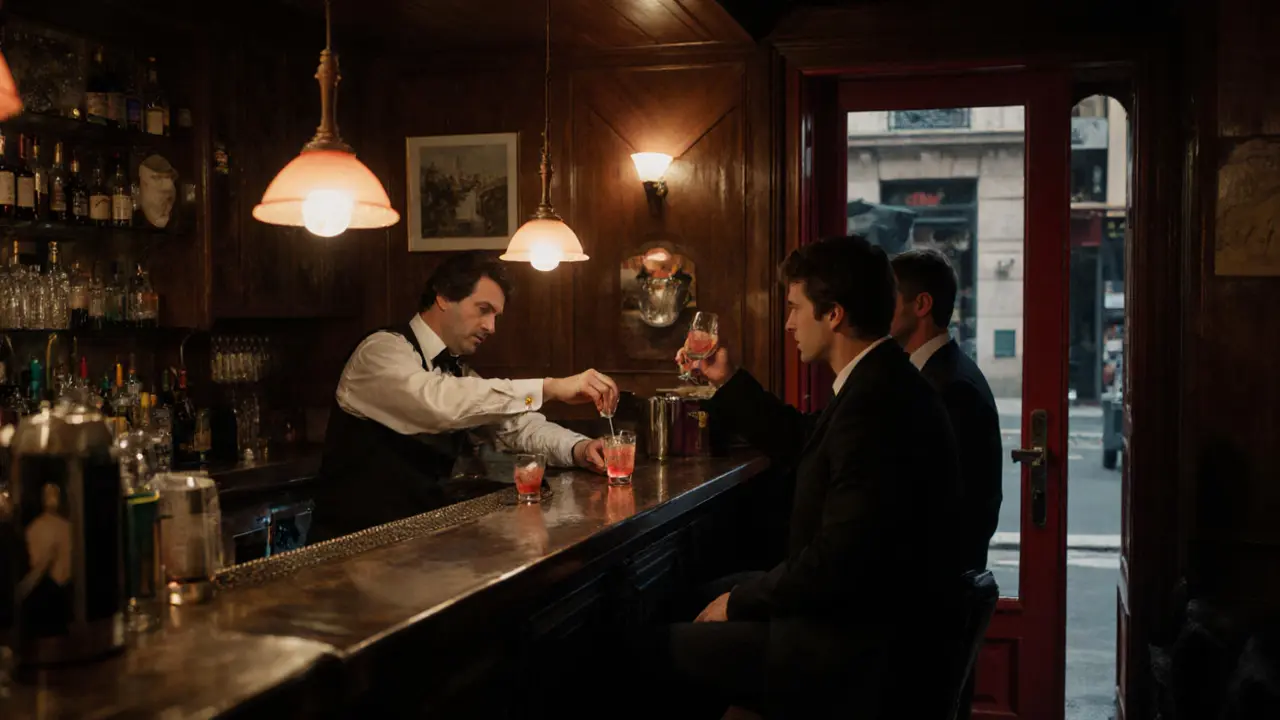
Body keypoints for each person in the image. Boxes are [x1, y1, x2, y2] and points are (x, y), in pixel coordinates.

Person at [654, 234, 962, 717]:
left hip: (849, 649)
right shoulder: (880, 379)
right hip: (857, 620)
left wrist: (739, 603)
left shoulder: (877, 402)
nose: (789, 323)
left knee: (651, 649)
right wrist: (727, 379)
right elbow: (804, 438)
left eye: (796, 308)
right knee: (696, 598)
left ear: (833, 314)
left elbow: (836, 562)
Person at [311, 252, 620, 541]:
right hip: (350, 549)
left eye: (496, 316)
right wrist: (548, 387)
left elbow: (516, 426)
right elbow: (437, 404)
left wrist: (579, 449)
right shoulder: (379, 351)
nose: (491, 327)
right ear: (444, 297)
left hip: (413, 545)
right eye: (483, 310)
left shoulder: (457, 372)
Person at [890, 248, 1003, 574]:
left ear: (922, 305)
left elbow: (949, 504)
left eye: (890, 296)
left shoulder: (952, 387)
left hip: (936, 581)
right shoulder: (937, 371)